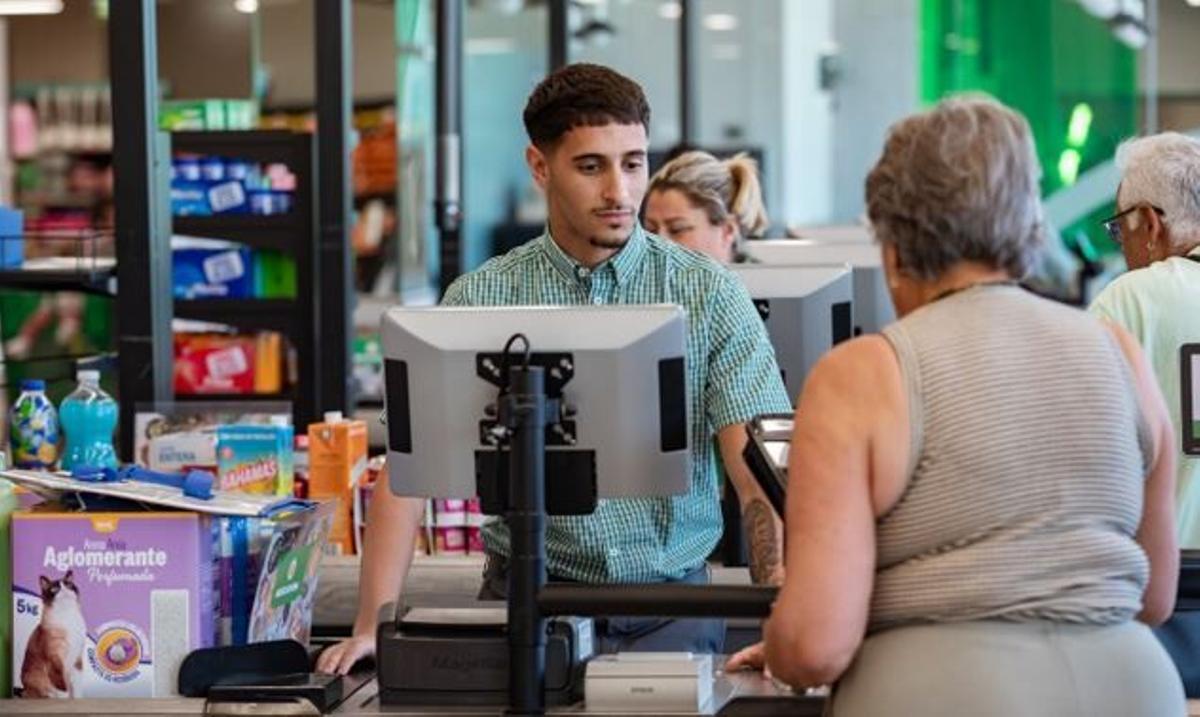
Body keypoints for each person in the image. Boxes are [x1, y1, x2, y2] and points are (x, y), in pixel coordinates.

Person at [318, 63, 791, 674]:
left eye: (633, 162)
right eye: (591, 166)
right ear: (540, 168)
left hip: (672, 610)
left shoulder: (709, 294)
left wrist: (784, 608)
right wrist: (370, 625)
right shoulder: (481, 297)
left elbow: (755, 473)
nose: (620, 192)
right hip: (525, 611)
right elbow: (407, 474)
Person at [730, 96, 1185, 715]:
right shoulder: (1120, 354)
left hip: (939, 692)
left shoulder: (863, 374)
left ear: (892, 243)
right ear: (1028, 225)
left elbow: (814, 647)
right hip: (1133, 690)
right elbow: (1155, 595)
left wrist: (784, 643)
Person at [1089, 132, 1200, 547]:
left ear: (1150, 224)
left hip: (1171, 589)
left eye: (1121, 230)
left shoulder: (1129, 300)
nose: (1123, 250)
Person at [643, 151, 768, 263]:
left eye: (677, 229)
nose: (658, 244)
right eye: (651, 231)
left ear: (727, 231)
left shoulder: (769, 286)